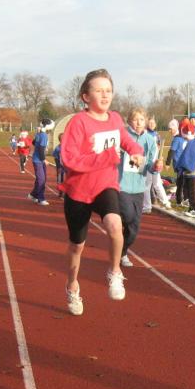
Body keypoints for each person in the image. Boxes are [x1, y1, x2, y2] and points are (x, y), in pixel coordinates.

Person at [59, 68, 144, 315]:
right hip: (78, 191)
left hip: (106, 185)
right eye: (99, 91)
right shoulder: (79, 122)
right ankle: (72, 285)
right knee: (77, 246)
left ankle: (115, 272)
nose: (105, 95)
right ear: (86, 97)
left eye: (108, 90)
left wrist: (136, 151)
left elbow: (126, 140)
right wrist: (106, 157)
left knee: (115, 225)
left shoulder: (115, 119)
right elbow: (69, 159)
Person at [118, 107, 159, 267]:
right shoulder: (123, 136)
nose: (138, 123)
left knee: (134, 228)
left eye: (141, 119)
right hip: (121, 185)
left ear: (146, 121)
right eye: (135, 119)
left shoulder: (149, 140)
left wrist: (155, 166)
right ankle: (116, 231)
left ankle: (122, 252)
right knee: (128, 216)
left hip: (139, 188)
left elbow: (149, 166)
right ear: (129, 121)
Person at [174, 119, 195, 219]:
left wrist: (181, 166)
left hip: (193, 172)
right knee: (189, 192)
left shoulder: (193, 142)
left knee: (193, 192)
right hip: (189, 172)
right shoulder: (191, 141)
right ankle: (191, 209)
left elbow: (188, 157)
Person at [142, 117, 171, 212]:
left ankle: (166, 202)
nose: (151, 124)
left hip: (155, 162)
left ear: (155, 124)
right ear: (147, 123)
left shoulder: (157, 135)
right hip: (147, 162)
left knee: (157, 183)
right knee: (147, 185)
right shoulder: (144, 133)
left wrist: (160, 158)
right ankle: (147, 206)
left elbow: (159, 148)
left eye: (153, 123)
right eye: (150, 123)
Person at [28, 120, 53, 206]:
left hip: (38, 160)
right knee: (41, 179)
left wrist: (37, 135)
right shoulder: (44, 135)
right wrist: (43, 160)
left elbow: (34, 143)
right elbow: (41, 149)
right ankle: (41, 198)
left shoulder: (39, 134)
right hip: (38, 160)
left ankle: (33, 195)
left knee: (41, 179)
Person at [164, 119, 187, 207]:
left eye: (171, 129)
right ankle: (179, 200)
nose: (169, 131)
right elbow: (172, 151)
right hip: (181, 164)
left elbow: (171, 151)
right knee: (182, 182)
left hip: (180, 163)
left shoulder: (177, 139)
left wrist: (167, 163)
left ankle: (180, 199)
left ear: (175, 128)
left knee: (182, 182)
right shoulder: (181, 138)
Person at [52, 134, 65, 198]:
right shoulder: (57, 148)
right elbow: (56, 158)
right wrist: (58, 166)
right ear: (60, 140)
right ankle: (61, 192)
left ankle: (65, 193)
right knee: (60, 180)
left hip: (67, 168)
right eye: (62, 139)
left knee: (66, 180)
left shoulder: (69, 147)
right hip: (60, 167)